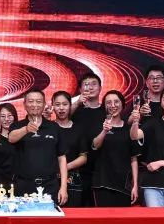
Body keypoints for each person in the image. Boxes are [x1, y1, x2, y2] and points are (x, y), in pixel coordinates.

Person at [9, 89, 68, 204]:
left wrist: (63, 187)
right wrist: (26, 129)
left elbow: (62, 158)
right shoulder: (17, 125)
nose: (35, 105)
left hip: (50, 186)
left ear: (44, 104)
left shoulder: (54, 127)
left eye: (39, 101)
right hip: (23, 186)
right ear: (24, 104)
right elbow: (11, 138)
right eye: (31, 101)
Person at [91, 91, 139, 207]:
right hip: (103, 183)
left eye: (116, 102)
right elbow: (95, 145)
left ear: (122, 104)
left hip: (124, 184)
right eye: (108, 102)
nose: (113, 105)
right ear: (104, 106)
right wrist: (104, 131)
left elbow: (133, 159)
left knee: (123, 218)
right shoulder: (99, 125)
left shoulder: (128, 129)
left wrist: (135, 185)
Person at [70, 73, 104, 206]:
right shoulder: (75, 110)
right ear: (80, 89)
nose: (90, 87)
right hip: (77, 168)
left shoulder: (106, 110)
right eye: (86, 84)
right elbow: (62, 117)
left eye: (94, 84)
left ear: (100, 88)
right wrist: (78, 102)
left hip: (101, 169)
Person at [54, 90, 88, 206]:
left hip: (73, 181)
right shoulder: (49, 128)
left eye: (65, 104)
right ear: (53, 106)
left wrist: (65, 167)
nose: (61, 108)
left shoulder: (78, 129)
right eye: (57, 104)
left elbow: (83, 157)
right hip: (51, 182)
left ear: (70, 105)